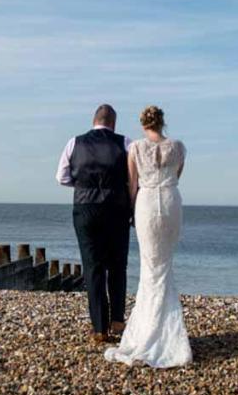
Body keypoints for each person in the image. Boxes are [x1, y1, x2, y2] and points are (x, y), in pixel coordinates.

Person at [105, 105, 192, 368]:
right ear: (162, 122)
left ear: (144, 124)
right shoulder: (178, 147)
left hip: (146, 205)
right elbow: (176, 176)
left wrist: (131, 212)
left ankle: (149, 332)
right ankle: (167, 334)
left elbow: (133, 185)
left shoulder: (136, 149)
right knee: (164, 266)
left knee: (150, 267)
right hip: (170, 202)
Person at [56, 104, 132, 346]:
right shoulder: (125, 143)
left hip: (85, 209)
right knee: (118, 265)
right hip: (116, 209)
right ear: (114, 123)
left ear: (93, 120)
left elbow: (62, 177)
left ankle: (100, 328)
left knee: (93, 267)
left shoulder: (74, 143)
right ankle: (118, 320)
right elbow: (134, 178)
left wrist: (83, 186)